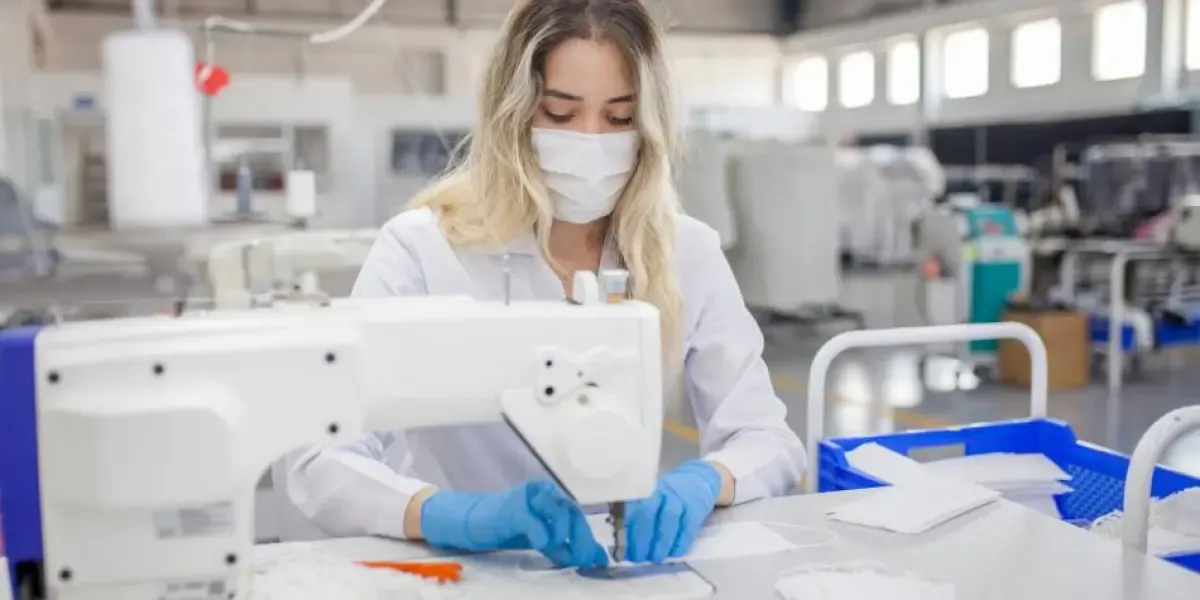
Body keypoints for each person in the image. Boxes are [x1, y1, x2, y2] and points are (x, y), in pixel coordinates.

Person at [287, 0, 805, 569]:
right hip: (464, 567)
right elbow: (319, 460)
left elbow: (768, 440)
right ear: (512, 113)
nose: (591, 140)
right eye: (560, 114)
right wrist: (449, 514)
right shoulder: (423, 250)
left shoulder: (688, 252)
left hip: (622, 563)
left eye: (619, 118)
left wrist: (707, 480)